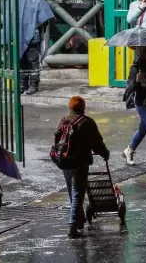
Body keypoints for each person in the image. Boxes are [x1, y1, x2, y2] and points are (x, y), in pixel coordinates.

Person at [58, 96, 110, 238]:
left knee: (72, 192)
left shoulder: (63, 120)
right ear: (83, 107)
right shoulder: (86, 122)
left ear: (70, 107)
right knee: (77, 194)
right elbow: (97, 143)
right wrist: (105, 154)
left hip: (64, 162)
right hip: (79, 164)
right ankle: (72, 226)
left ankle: (79, 220)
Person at [2, 0, 54, 95]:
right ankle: (22, 85)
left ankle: (33, 85)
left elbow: (43, 15)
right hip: (20, 35)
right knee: (21, 61)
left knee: (32, 61)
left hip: (32, 36)